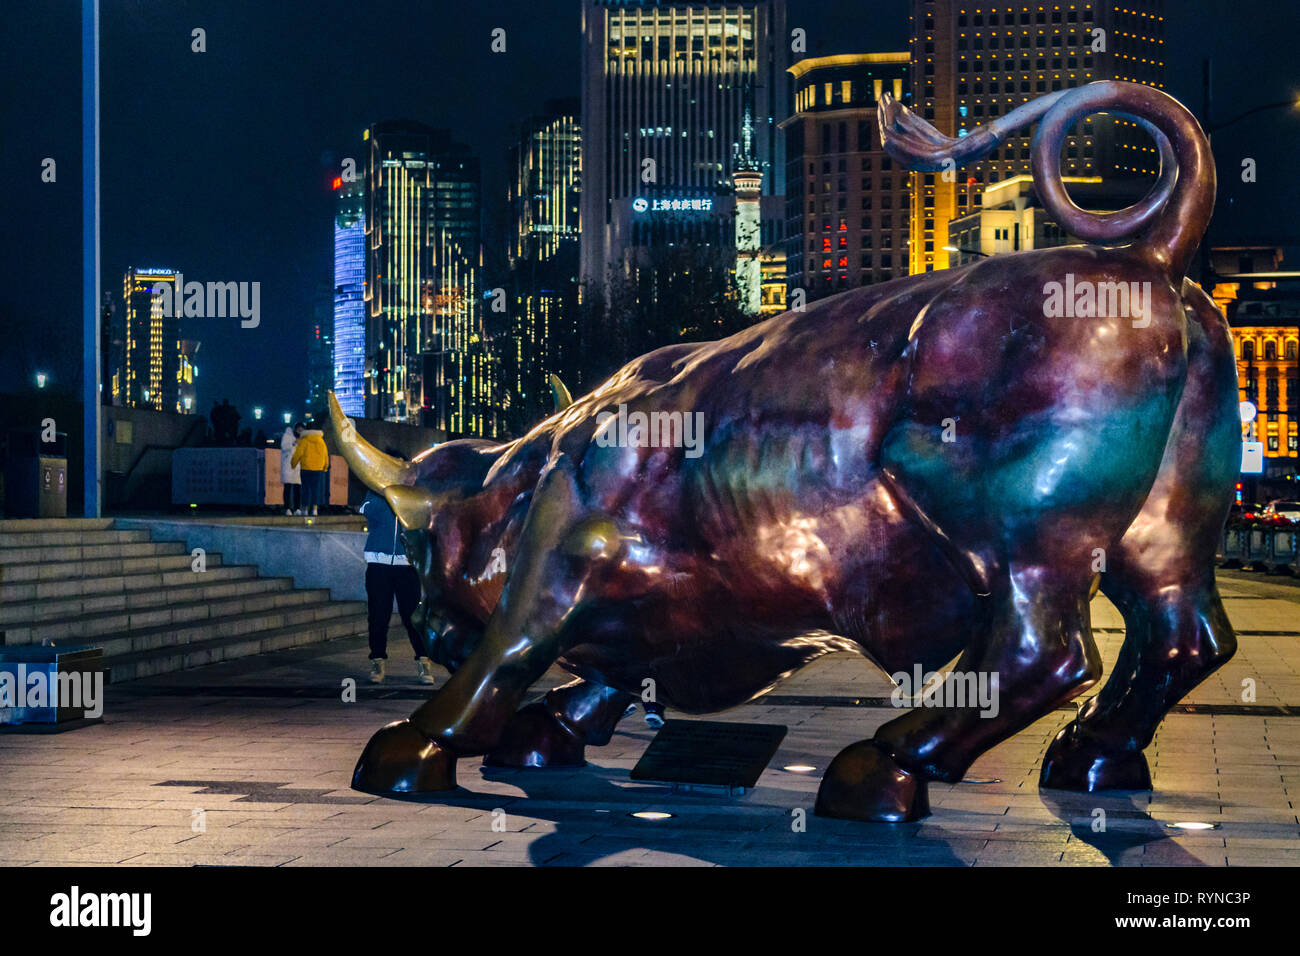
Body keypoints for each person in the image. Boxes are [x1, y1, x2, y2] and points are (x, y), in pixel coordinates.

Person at [359, 461, 434, 685]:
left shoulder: (416, 496)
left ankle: (423, 662)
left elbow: (426, 520)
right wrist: (388, 497)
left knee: (413, 617)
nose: (405, 478)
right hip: (378, 565)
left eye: (408, 474)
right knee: (378, 615)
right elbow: (366, 511)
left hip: (406, 565)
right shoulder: (376, 491)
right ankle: (378, 661)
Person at [290, 425, 328, 517]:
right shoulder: (321, 441)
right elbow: (325, 455)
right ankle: (315, 509)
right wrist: (325, 467)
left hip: (306, 468)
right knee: (316, 490)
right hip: (318, 469)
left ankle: (305, 509)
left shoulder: (304, 441)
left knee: (305, 489)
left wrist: (293, 464)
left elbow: (298, 453)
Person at [280, 421, 303, 515]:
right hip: (288, 466)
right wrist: (294, 443)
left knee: (297, 489)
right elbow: (284, 447)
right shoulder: (288, 436)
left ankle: (297, 508)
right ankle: (287, 508)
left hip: (299, 467)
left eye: (302, 429)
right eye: (299, 429)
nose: (300, 431)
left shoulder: (304, 439)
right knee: (288, 488)